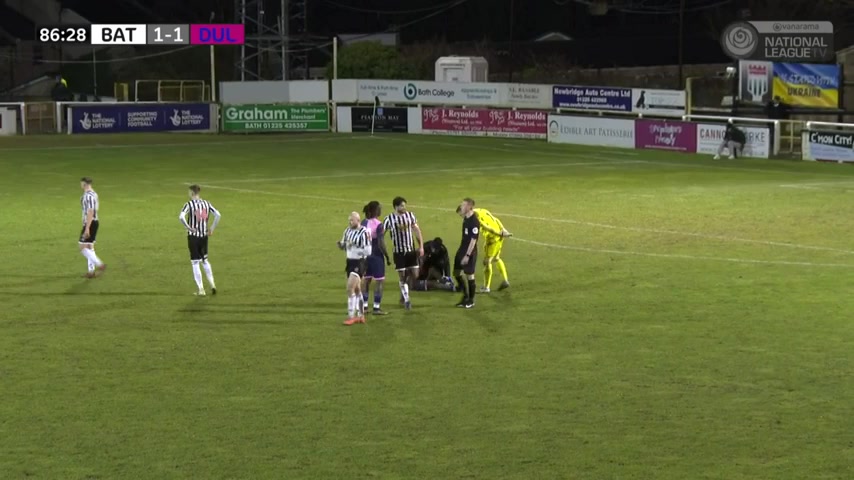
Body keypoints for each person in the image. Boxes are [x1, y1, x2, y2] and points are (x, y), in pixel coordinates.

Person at [382, 196, 424, 310]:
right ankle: (407, 300)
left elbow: (416, 230)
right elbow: (381, 233)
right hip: (399, 253)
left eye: (405, 205)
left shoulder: (410, 216)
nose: (404, 208)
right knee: (402, 277)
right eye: (401, 206)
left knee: (415, 275)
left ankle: (403, 291)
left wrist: (421, 247)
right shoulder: (389, 219)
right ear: (396, 207)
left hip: (410, 251)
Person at [179, 184, 221, 296]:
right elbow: (218, 215)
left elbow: (181, 217)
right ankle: (213, 285)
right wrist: (211, 229)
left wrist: (188, 227)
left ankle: (201, 289)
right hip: (204, 236)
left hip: (193, 237)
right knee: (205, 260)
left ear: (192, 193)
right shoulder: (206, 203)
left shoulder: (189, 204)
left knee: (195, 262)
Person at [338, 211, 371, 325]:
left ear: (358, 220)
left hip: (360, 262)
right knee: (357, 290)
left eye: (352, 220)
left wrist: (354, 246)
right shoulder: (347, 231)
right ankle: (361, 316)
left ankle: (351, 316)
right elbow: (344, 244)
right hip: (350, 262)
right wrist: (342, 245)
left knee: (349, 288)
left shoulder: (364, 232)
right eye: (349, 220)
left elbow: (368, 251)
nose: (350, 222)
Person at [361, 201, 391, 315]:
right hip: (376, 256)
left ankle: (364, 306)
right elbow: (381, 243)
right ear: (375, 210)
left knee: (366, 280)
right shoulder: (379, 224)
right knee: (379, 281)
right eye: (379, 208)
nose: (380, 210)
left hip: (364, 255)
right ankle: (376, 307)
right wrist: (387, 256)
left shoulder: (363, 222)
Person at [472, 207, 513, 292]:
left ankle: (486, 287)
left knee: (487, 262)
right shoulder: (482, 211)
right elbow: (496, 219)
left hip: (493, 239)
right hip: (499, 238)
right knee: (497, 258)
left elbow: (488, 228)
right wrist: (503, 230)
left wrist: (500, 233)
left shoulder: (477, 219)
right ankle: (505, 280)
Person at [454, 198, 480, 308]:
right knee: (456, 273)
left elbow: (473, 240)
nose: (461, 207)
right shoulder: (466, 218)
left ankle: (471, 300)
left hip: (470, 252)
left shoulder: (474, 221)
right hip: (462, 249)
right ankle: (465, 296)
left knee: (470, 276)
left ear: (469, 207)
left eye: (463, 205)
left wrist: (467, 255)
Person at [78, 177, 106, 278]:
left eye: (81, 184)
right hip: (93, 222)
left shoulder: (88, 196)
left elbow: (90, 211)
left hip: (91, 223)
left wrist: (87, 228)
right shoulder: (93, 194)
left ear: (84, 184)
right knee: (89, 246)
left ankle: (100, 264)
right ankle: (91, 272)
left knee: (82, 248)